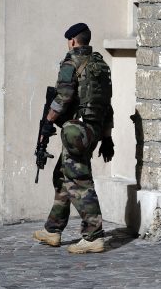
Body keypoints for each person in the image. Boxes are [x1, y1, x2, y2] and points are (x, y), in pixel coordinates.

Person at [33, 23, 115, 254]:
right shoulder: (100, 65)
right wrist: (107, 137)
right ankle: (53, 230)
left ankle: (93, 236)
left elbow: (63, 97)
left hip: (76, 131)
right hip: (93, 130)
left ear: (72, 41)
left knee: (79, 181)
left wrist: (48, 121)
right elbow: (107, 105)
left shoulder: (71, 63)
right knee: (63, 175)